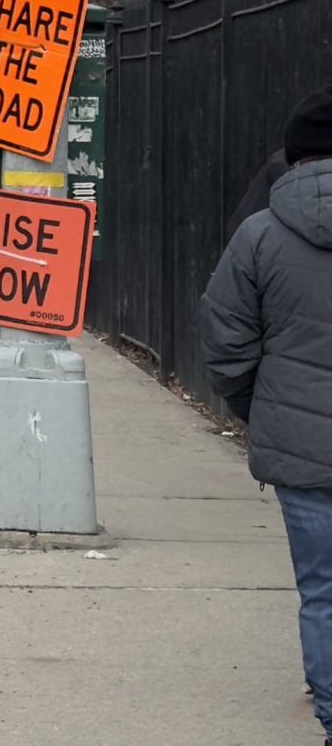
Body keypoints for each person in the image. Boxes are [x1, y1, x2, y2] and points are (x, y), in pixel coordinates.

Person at [202, 88, 332, 746]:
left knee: (323, 592)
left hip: (299, 445)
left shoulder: (259, 234)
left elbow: (224, 340)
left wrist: (262, 409)